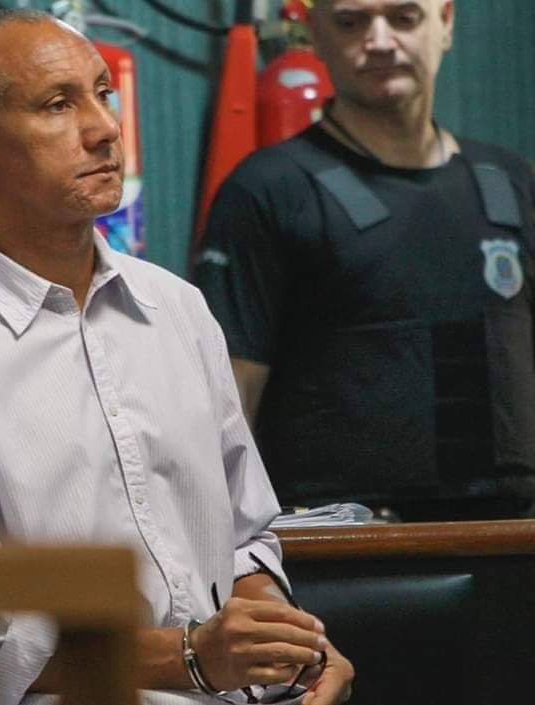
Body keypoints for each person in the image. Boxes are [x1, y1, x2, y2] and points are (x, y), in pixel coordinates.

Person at [0, 8, 535, 705]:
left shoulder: (176, 309)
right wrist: (193, 657)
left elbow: (245, 538)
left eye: (102, 94)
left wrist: (285, 644)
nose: (104, 128)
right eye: (57, 105)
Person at [194, 0, 535, 522]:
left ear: (445, 22)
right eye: (351, 22)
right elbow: (228, 398)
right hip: (350, 546)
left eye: (404, 18)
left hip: (511, 534)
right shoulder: (268, 190)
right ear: (316, 34)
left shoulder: (509, 183)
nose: (378, 41)